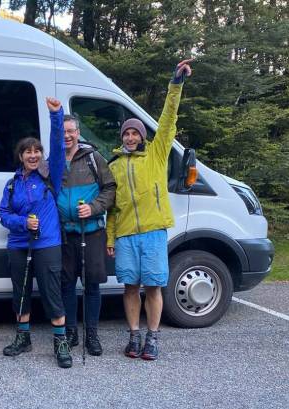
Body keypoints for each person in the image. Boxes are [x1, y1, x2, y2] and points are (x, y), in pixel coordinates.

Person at [106, 58, 194, 361]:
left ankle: (153, 337)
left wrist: (176, 84)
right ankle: (134, 336)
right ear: (122, 138)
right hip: (126, 235)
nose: (130, 137)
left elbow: (168, 120)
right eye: (126, 134)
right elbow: (113, 209)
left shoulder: (156, 154)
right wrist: (110, 239)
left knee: (154, 288)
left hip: (154, 232)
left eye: (135, 133)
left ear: (142, 137)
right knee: (130, 287)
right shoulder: (114, 165)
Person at [0, 98, 72, 368]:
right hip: (19, 244)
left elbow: (58, 145)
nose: (33, 155)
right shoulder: (11, 184)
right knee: (21, 293)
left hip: (47, 244)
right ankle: (23, 338)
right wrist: (22, 223)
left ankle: (61, 343)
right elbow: (4, 215)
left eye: (36, 151)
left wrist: (56, 115)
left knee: (52, 292)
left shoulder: (49, 175)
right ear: (20, 157)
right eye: (28, 152)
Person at [55, 109, 116, 356]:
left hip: (91, 233)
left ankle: (92, 333)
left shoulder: (93, 158)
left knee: (91, 285)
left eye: (71, 131)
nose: (67, 136)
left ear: (78, 133)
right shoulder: (54, 161)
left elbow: (110, 189)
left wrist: (93, 208)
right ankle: (71, 332)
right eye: (63, 132)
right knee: (67, 285)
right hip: (65, 234)